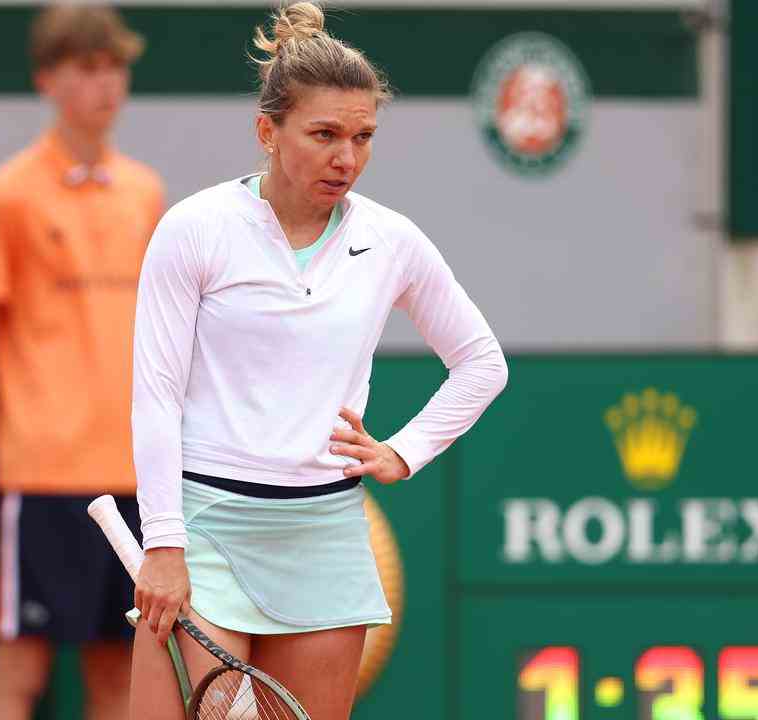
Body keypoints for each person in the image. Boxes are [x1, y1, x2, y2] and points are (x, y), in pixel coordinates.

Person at [127, 3, 508, 718]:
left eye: (363, 136)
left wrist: (404, 451)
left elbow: (482, 362)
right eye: (325, 134)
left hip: (325, 538)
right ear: (268, 132)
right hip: (203, 530)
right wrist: (165, 544)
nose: (347, 158)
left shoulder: (392, 242)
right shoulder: (194, 230)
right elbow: (155, 394)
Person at [0, 5, 164, 719]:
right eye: (87, 67)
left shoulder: (145, 193)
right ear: (48, 79)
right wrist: (5, 436)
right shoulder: (7, 194)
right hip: (43, 474)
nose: (106, 84)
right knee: (19, 672)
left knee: (118, 673)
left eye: (116, 66)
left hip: (134, 475)